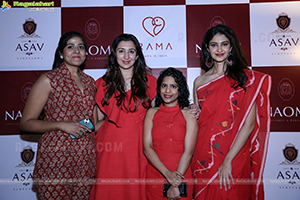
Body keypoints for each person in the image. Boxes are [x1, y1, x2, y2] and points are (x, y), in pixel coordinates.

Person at [191, 25, 271, 200]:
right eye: (214, 45)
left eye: (224, 44)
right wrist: (194, 112)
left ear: (231, 47)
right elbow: (201, 120)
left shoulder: (245, 79)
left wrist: (228, 160)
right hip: (204, 152)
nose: (219, 49)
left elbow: (248, 125)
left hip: (234, 153)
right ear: (206, 48)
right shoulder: (199, 82)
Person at [20, 31, 97, 199]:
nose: (76, 51)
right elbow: (26, 122)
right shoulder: (48, 79)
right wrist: (60, 124)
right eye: (70, 47)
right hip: (56, 159)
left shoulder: (90, 82)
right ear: (61, 53)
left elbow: (94, 122)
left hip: (85, 160)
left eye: (81, 47)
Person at [89, 33, 157, 200]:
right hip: (110, 150)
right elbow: (94, 122)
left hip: (139, 149)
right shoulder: (101, 84)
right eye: (121, 51)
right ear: (114, 54)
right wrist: (71, 127)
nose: (126, 56)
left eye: (131, 51)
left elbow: (157, 119)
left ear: (137, 54)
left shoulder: (151, 82)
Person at [143, 67, 198, 200]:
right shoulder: (151, 113)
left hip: (182, 175)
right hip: (156, 175)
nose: (168, 91)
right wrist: (168, 174)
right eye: (164, 86)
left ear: (180, 90)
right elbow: (147, 148)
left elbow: (188, 152)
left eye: (173, 86)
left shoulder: (189, 114)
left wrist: (175, 182)